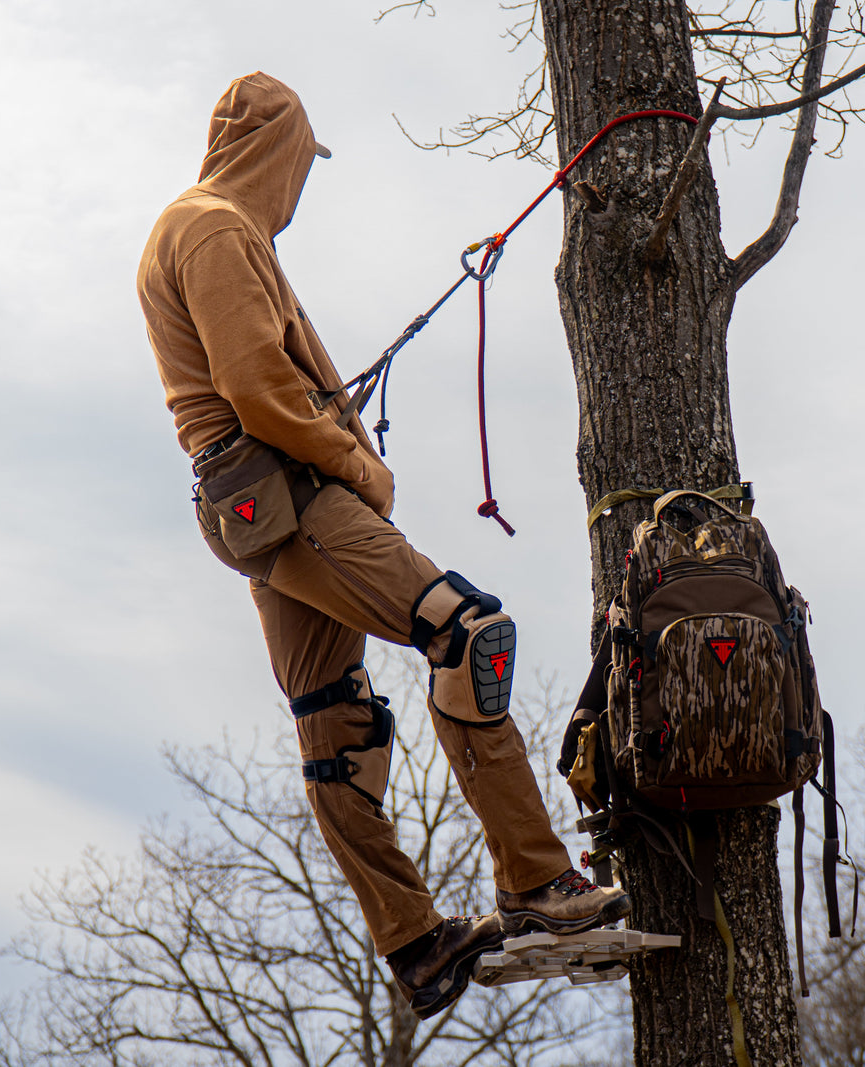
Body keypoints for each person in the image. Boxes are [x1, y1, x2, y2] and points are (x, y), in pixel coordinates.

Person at [135, 72, 630, 1018]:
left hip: (257, 510)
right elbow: (253, 389)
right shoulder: (215, 227)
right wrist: (359, 468)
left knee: (339, 728)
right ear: (278, 151)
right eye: (304, 165)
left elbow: (253, 378)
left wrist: (328, 418)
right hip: (292, 495)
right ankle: (537, 884)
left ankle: (416, 943)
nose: (303, 187)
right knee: (470, 631)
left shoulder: (200, 231)